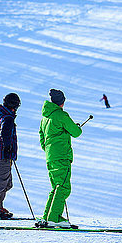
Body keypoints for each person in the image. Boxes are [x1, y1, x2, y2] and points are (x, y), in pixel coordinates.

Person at [37, 89, 83, 228]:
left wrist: (49, 150)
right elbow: (76, 132)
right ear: (62, 102)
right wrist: (76, 127)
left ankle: (49, 216)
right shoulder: (61, 115)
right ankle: (53, 218)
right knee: (63, 187)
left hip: (50, 156)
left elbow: (41, 137)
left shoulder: (45, 117)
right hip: (62, 155)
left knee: (56, 187)